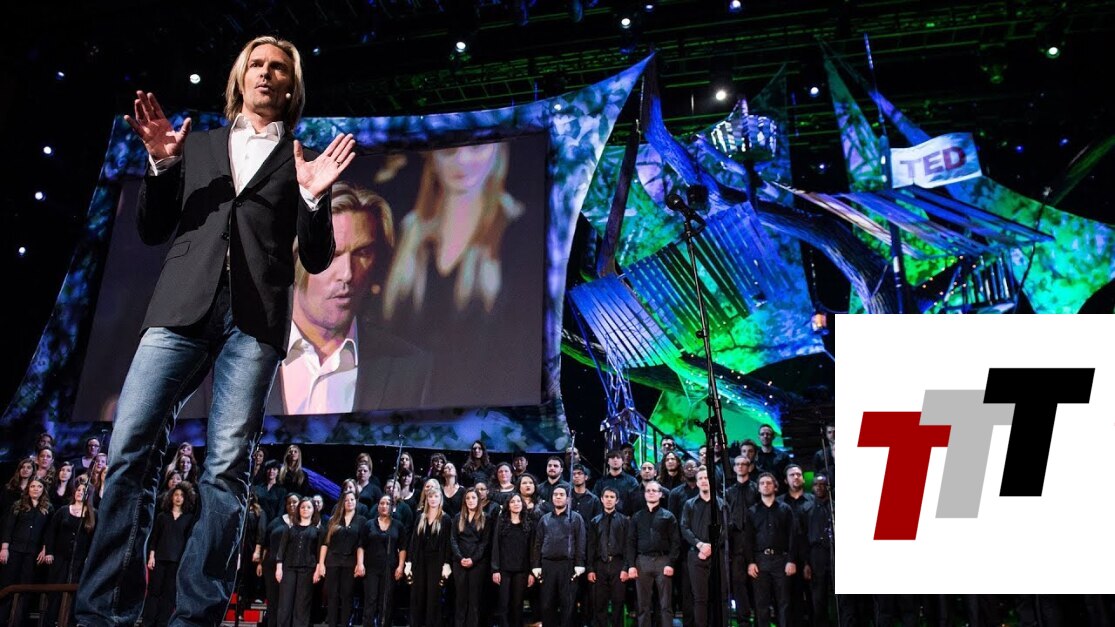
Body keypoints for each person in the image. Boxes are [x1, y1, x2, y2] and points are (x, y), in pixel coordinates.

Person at [75, 34, 354, 627]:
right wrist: (161, 165)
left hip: (253, 324)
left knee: (225, 470)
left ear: (291, 87)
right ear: (240, 77)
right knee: (130, 450)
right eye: (256, 64)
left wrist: (312, 198)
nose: (266, 73)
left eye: (278, 68)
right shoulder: (196, 145)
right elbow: (153, 229)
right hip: (179, 310)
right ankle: (104, 614)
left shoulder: (300, 160)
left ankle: (196, 617)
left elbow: (318, 256)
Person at [382, 140, 532, 407]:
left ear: (499, 151)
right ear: (433, 157)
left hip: (484, 411)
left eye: (477, 148)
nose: (462, 160)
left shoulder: (520, 233)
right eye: (448, 150)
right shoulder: (407, 234)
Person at [267, 180, 431, 414]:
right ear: (295, 259)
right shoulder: (237, 355)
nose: (347, 273)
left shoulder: (408, 367)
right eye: (332, 253)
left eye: (362, 253)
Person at [625, 480, 681, 627]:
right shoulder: (637, 517)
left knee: (665, 604)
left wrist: (671, 563)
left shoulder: (668, 516)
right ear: (644, 494)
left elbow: (675, 542)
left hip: (663, 561)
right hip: (642, 561)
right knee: (642, 605)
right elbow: (630, 542)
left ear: (661, 494)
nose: (651, 493)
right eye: (648, 490)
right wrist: (631, 566)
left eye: (654, 490)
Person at [143, 482, 199, 627]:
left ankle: (162, 623)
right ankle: (147, 622)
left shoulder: (189, 518)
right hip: (160, 558)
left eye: (182, 496)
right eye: (176, 495)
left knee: (169, 594)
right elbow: (154, 538)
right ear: (171, 497)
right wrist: (151, 556)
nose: (178, 498)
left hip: (177, 561)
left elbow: (188, 540)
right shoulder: (162, 516)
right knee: (154, 591)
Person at [43, 479, 97, 627]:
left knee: (74, 593)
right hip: (60, 558)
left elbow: (95, 539)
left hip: (79, 561)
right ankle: (49, 622)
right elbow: (51, 532)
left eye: (83, 491)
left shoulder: (93, 514)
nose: (80, 493)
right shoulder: (63, 511)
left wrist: (89, 557)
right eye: (78, 490)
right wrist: (49, 552)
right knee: (55, 593)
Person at [681, 466, 730, 627]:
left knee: (721, 597)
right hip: (696, 555)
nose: (703, 481)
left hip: (717, 556)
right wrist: (700, 545)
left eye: (706, 478)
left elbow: (726, 529)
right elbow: (684, 528)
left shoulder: (722, 504)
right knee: (700, 599)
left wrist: (712, 547)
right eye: (700, 478)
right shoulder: (689, 504)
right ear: (696, 482)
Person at [747, 472, 797, 627]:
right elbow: (748, 539)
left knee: (784, 603)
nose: (765, 485)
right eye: (762, 483)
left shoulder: (785, 509)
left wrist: (791, 560)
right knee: (761, 604)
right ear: (758, 488)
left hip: (781, 560)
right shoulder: (752, 511)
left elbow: (793, 536)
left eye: (769, 483)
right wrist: (751, 562)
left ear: (775, 486)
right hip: (760, 561)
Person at [0, 478, 52, 623]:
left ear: (43, 490)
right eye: (32, 486)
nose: (35, 489)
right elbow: (8, 528)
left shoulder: (48, 508)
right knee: (8, 583)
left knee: (25, 585)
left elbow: (48, 532)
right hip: (14, 550)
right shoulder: (18, 505)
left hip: (32, 553)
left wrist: (45, 549)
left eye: (39, 486)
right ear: (28, 489)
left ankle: (18, 620)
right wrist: (4, 548)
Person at [406, 484, 453, 627]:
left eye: (436, 496)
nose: (433, 499)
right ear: (427, 499)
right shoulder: (420, 517)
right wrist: (409, 562)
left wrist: (447, 563)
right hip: (419, 560)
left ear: (440, 499)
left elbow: (447, 544)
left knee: (434, 597)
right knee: (417, 596)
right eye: (430, 496)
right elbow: (414, 541)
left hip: (437, 561)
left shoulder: (445, 519)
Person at [319, 491, 367, 627]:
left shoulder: (362, 520)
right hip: (332, 561)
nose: (349, 502)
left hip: (350, 562)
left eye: (352, 499)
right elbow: (325, 543)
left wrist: (360, 563)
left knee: (347, 596)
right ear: (342, 503)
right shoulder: (333, 519)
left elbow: (361, 544)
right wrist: (321, 564)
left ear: (356, 501)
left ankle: (345, 624)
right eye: (346, 500)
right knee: (332, 595)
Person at [358, 495, 406, 627]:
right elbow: (361, 545)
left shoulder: (398, 525)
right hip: (371, 567)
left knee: (386, 601)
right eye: (382, 503)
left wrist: (400, 566)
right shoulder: (369, 524)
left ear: (392, 507)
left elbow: (402, 548)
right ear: (378, 506)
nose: (384, 506)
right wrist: (360, 564)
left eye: (388, 504)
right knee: (370, 599)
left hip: (390, 568)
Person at [276, 496, 324, 627]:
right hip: (289, 568)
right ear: (298, 509)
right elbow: (282, 549)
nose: (305, 509)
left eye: (308, 507)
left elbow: (319, 552)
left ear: (313, 510)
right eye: (302, 507)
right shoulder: (290, 528)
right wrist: (279, 568)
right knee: (285, 603)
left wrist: (318, 570)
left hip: (308, 569)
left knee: (302, 604)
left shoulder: (318, 530)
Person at [587, 487, 629, 627]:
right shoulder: (595, 521)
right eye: (606, 497)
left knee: (618, 602)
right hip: (600, 565)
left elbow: (628, 547)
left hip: (618, 564)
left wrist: (625, 568)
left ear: (617, 500)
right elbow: (591, 547)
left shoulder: (624, 521)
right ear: (601, 499)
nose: (609, 500)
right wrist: (590, 569)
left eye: (612, 497)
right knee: (599, 603)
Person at [491, 493, 535, 627]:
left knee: (517, 604)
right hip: (504, 570)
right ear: (508, 506)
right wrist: (495, 569)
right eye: (513, 502)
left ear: (522, 504)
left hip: (522, 570)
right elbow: (495, 546)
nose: (516, 504)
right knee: (503, 604)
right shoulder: (501, 522)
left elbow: (532, 549)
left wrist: (531, 572)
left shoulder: (529, 523)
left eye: (518, 501)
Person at [451, 487, 492, 626]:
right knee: (460, 599)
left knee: (474, 599)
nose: (470, 500)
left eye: (473, 498)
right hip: (459, 562)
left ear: (478, 500)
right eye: (468, 498)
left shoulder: (486, 518)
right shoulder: (458, 517)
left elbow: (484, 543)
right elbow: (453, 540)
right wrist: (460, 558)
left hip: (478, 563)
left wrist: (473, 559)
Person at [261, 494, 300, 627]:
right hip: (271, 564)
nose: (292, 505)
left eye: (295, 502)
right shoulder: (276, 522)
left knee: (288, 601)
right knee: (273, 598)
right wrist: (261, 563)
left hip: (291, 566)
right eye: (289, 503)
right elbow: (266, 543)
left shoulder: (304, 522)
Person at [804, 473, 834, 627]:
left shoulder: (835, 507)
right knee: (818, 596)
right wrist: (806, 562)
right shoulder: (807, 508)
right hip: (816, 555)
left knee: (840, 596)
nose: (819, 487)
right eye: (816, 484)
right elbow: (802, 537)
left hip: (835, 553)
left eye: (822, 484)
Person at [594, 450, 639, 515]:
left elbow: (636, 503)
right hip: (604, 518)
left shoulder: (632, 481)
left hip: (626, 518)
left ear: (623, 461)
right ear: (608, 461)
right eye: (612, 458)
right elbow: (596, 503)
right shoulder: (600, 482)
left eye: (618, 457)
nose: (615, 460)